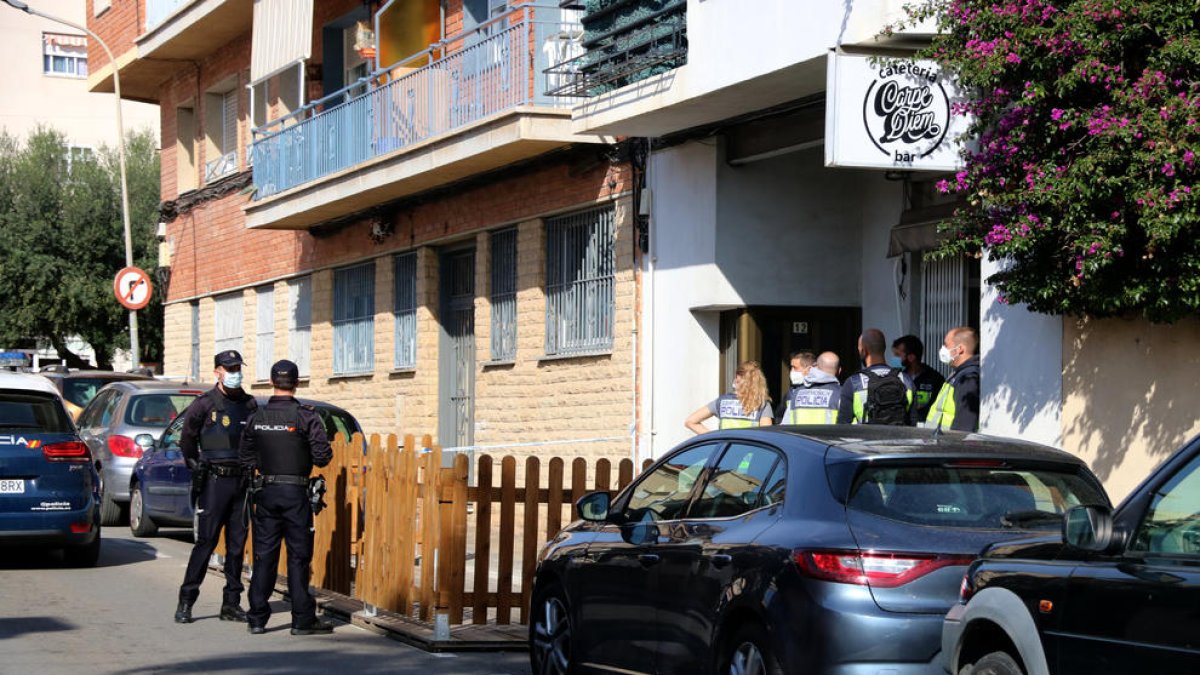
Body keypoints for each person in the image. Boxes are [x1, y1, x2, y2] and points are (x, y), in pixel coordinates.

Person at [240, 359, 334, 636]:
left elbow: (245, 456)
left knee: (264, 555)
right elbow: (322, 457)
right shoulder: (306, 416)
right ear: (297, 383)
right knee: (298, 557)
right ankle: (302, 619)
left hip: (266, 492)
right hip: (296, 493)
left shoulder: (258, 417)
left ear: (271, 382)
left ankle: (257, 618)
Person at [175, 349, 257, 625]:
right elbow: (187, 440)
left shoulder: (249, 404)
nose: (235, 373)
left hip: (241, 482)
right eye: (229, 368)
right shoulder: (204, 404)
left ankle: (231, 604)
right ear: (217, 372)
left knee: (237, 546)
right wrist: (195, 465)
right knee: (206, 542)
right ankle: (186, 602)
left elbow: (255, 440)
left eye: (237, 368)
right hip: (214, 481)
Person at [837, 328, 914, 425]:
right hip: (898, 439)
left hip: (865, 439)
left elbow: (842, 427)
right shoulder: (906, 380)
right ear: (884, 348)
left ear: (863, 351)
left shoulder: (854, 383)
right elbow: (913, 423)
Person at [685, 360, 773, 433]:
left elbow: (690, 421)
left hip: (727, 451)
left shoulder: (722, 402)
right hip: (750, 452)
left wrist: (715, 438)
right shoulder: (762, 404)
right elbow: (767, 435)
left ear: (737, 378)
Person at [926, 326, 982, 432]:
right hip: (939, 442)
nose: (942, 348)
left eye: (946, 345)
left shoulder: (968, 378)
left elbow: (965, 424)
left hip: (949, 445)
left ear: (960, 349)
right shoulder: (959, 374)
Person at [892, 335, 945, 424]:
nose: (894, 359)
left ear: (911, 357)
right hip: (902, 430)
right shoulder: (896, 378)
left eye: (897, 355)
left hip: (926, 431)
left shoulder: (935, 379)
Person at [781, 351, 842, 424]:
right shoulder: (841, 394)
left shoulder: (797, 393)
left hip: (798, 435)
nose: (791, 371)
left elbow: (785, 425)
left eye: (794, 368)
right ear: (839, 370)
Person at [775, 351, 816, 423]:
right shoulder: (790, 392)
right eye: (791, 367)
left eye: (795, 368)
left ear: (809, 369)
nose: (791, 371)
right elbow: (779, 416)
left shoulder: (819, 390)